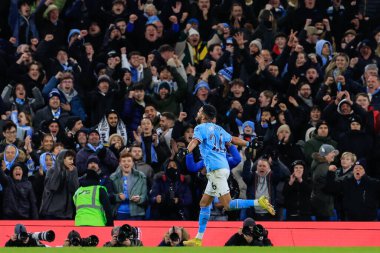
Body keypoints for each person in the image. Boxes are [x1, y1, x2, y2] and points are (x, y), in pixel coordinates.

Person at [179, 104, 275, 246]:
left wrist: (187, 151)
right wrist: (249, 144)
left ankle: (258, 201)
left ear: (204, 116)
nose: (197, 113)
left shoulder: (200, 128)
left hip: (216, 171)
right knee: (204, 203)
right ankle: (198, 239)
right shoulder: (218, 129)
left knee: (228, 205)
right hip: (220, 169)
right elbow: (234, 140)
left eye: (199, 111)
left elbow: (195, 141)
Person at [39, 150, 79, 219]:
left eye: (73, 159)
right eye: (70, 159)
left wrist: (71, 174)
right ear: (62, 159)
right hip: (51, 212)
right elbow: (53, 187)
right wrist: (59, 169)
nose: (72, 162)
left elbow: (75, 190)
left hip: (67, 213)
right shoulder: (52, 170)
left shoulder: (73, 171)